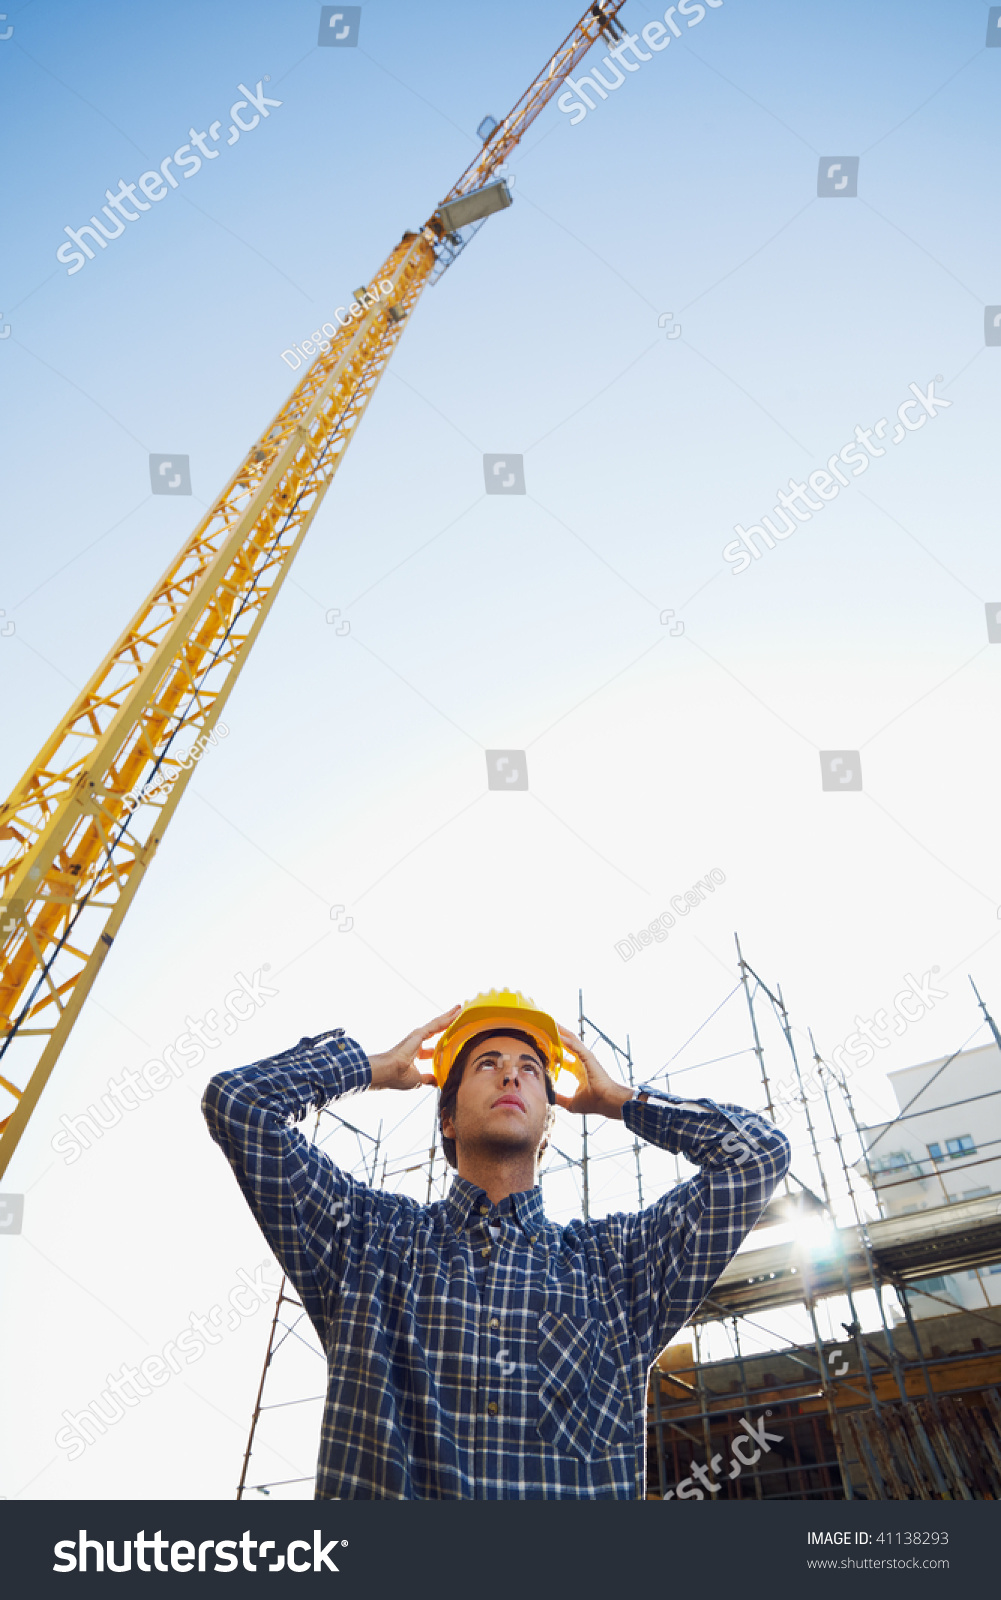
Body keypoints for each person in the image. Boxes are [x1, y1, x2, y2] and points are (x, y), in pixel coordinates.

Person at [202, 988, 790, 1499]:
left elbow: (758, 1155)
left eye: (531, 1068)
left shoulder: (617, 1269)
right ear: (448, 1119)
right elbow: (240, 1105)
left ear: (548, 1118)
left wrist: (620, 1100)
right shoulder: (363, 1242)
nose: (510, 1074)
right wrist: (374, 1067)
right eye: (486, 1062)